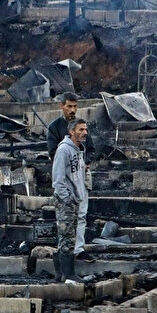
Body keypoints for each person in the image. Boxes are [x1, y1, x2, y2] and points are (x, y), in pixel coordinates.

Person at [46, 92, 94, 261]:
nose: (73, 110)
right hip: (66, 175)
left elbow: (91, 149)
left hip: (81, 174)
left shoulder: (81, 126)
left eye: (75, 106)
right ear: (62, 106)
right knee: (66, 218)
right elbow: (53, 154)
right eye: (69, 106)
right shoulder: (55, 128)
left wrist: (87, 162)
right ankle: (65, 254)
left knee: (81, 215)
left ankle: (78, 249)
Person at [52, 118, 89, 284]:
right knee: (67, 236)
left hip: (75, 199)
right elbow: (58, 178)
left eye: (85, 130)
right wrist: (67, 198)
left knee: (68, 236)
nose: (84, 133)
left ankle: (61, 274)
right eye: (80, 130)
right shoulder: (64, 150)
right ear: (71, 132)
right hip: (66, 201)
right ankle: (69, 274)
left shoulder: (79, 150)